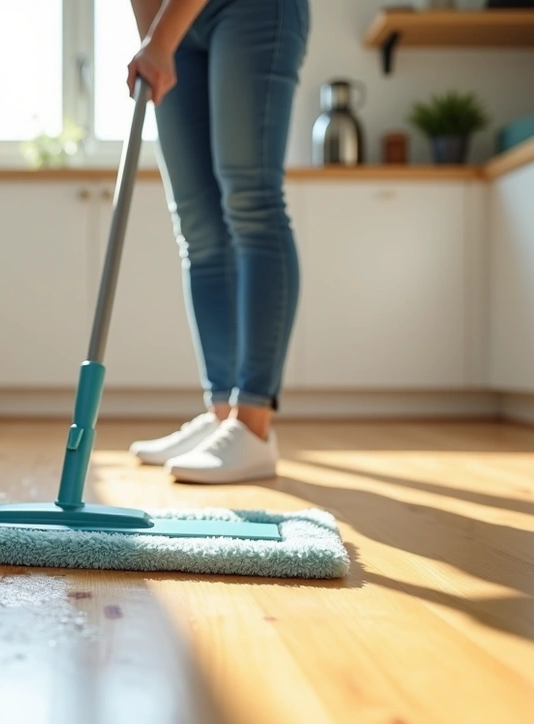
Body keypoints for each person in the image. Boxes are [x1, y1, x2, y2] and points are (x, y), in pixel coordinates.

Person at [124, 0, 310, 484]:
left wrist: (160, 40)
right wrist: (154, 39)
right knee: (198, 225)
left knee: (251, 203)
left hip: (253, 10)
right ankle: (223, 413)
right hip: (173, 22)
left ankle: (253, 425)